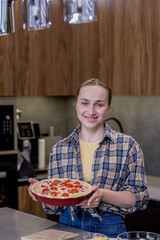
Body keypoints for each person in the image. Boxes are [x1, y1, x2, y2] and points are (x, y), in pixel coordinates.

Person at [29, 78, 149, 238]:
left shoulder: (128, 146)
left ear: (108, 108)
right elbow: (54, 208)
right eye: (85, 103)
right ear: (76, 105)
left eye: (99, 104)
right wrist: (42, 193)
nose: (91, 111)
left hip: (109, 229)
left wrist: (103, 195)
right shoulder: (60, 149)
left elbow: (140, 199)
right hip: (67, 226)